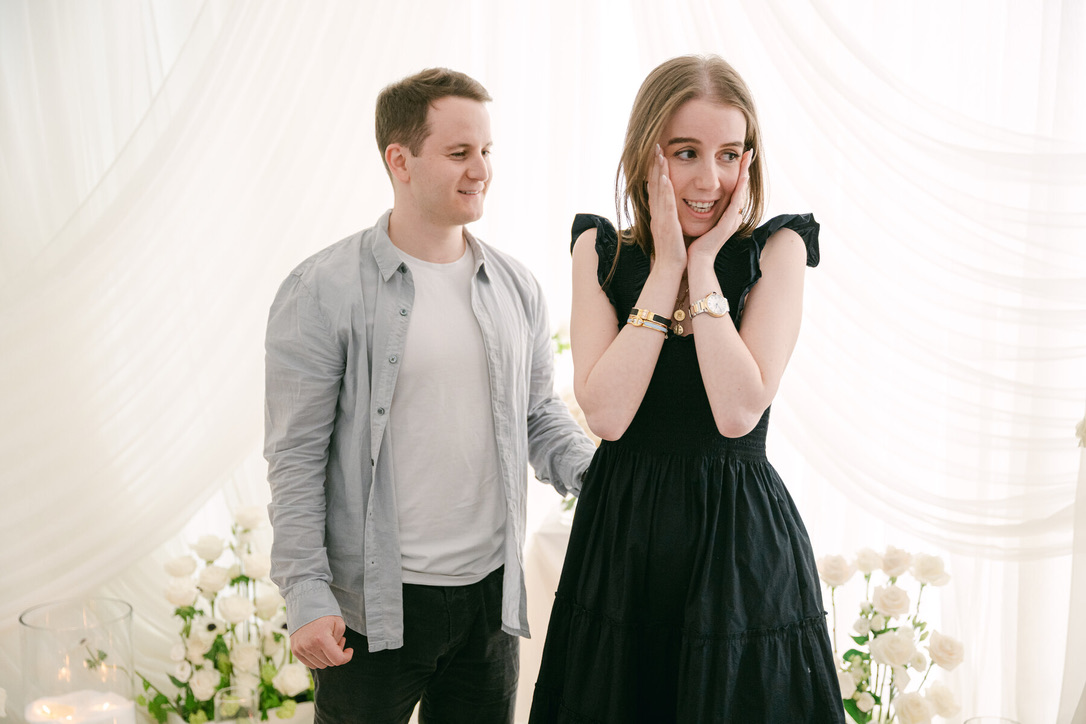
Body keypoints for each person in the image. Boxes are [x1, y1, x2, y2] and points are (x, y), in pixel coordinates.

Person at [264, 67, 596, 724]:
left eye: (487, 150)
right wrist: (305, 593)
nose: (482, 170)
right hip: (373, 610)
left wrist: (609, 478)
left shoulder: (517, 287)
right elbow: (295, 457)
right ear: (400, 160)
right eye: (459, 152)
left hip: (490, 603)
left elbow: (539, 416)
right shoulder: (321, 290)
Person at [528, 55, 845, 723]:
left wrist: (701, 266)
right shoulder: (600, 250)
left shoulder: (778, 250)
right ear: (646, 155)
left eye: (729, 154)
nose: (710, 180)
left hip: (735, 540)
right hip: (622, 541)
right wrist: (666, 261)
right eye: (686, 153)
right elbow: (608, 415)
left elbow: (737, 410)